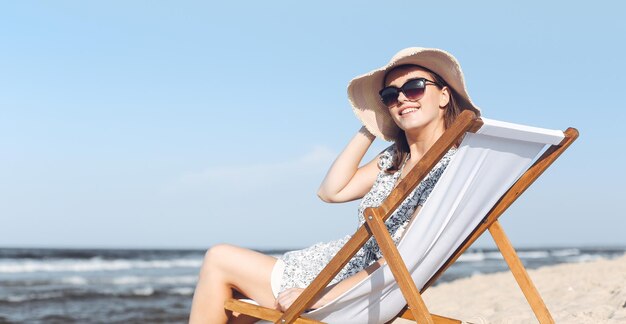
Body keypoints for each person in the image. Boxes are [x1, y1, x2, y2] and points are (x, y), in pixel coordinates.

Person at [189, 47, 481, 324]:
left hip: (355, 285)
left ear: (444, 96)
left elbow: (404, 256)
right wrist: (372, 125)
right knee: (233, 297)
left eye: (415, 86)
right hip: (330, 269)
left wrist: (318, 293)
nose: (402, 98)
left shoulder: (448, 168)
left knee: (219, 258)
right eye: (390, 95)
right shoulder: (395, 158)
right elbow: (331, 191)